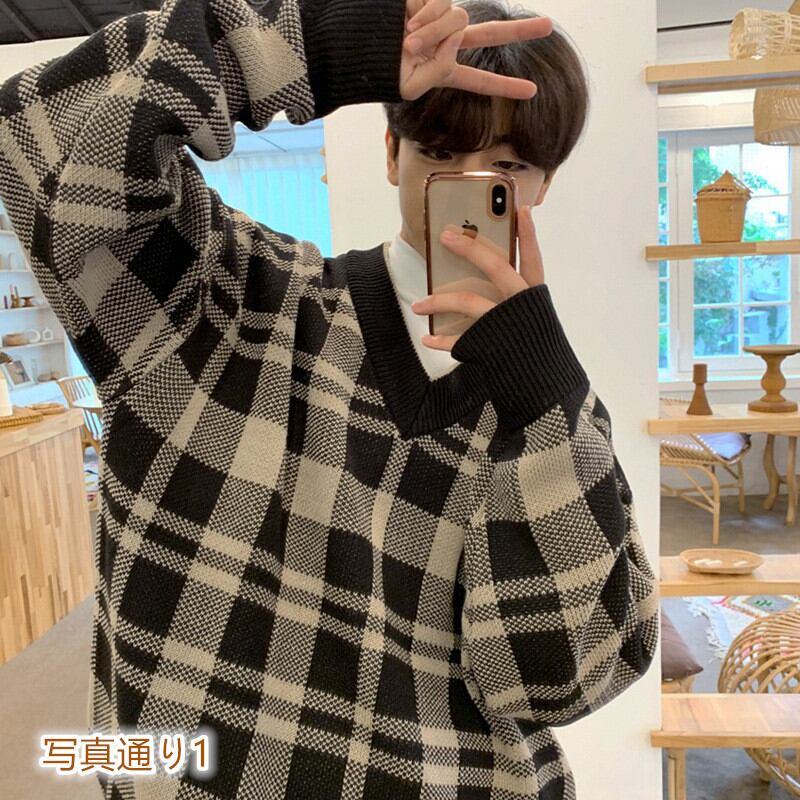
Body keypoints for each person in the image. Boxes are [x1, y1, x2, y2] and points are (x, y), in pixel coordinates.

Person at [0, 0, 659, 798]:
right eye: (439, 150)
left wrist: (543, 391)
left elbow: (561, 683)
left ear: (545, 182)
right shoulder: (224, 298)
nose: (463, 186)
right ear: (391, 151)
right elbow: (36, 136)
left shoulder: (546, 409)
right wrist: (310, 44)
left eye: (509, 166)